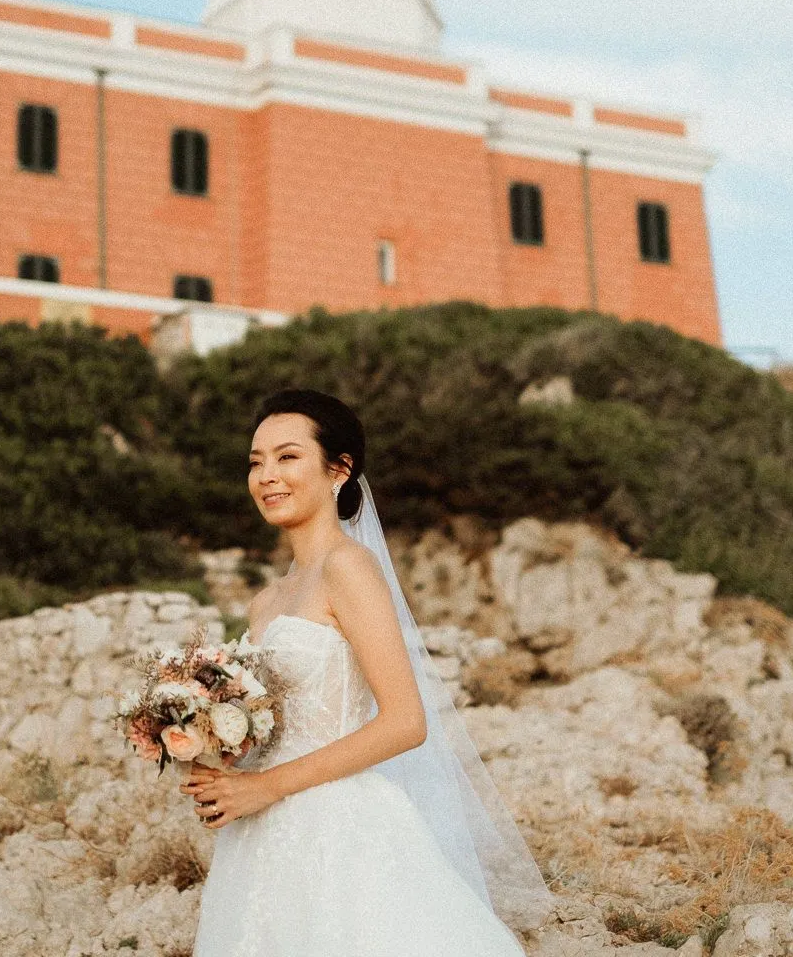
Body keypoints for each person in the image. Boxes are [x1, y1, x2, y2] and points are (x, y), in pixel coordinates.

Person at [182, 389, 552, 955]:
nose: (267, 476)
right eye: (255, 462)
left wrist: (264, 786)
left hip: (338, 829)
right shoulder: (266, 601)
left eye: (287, 457)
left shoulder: (349, 568)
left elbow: (406, 722)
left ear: (339, 469)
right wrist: (216, 746)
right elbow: (276, 721)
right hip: (259, 837)